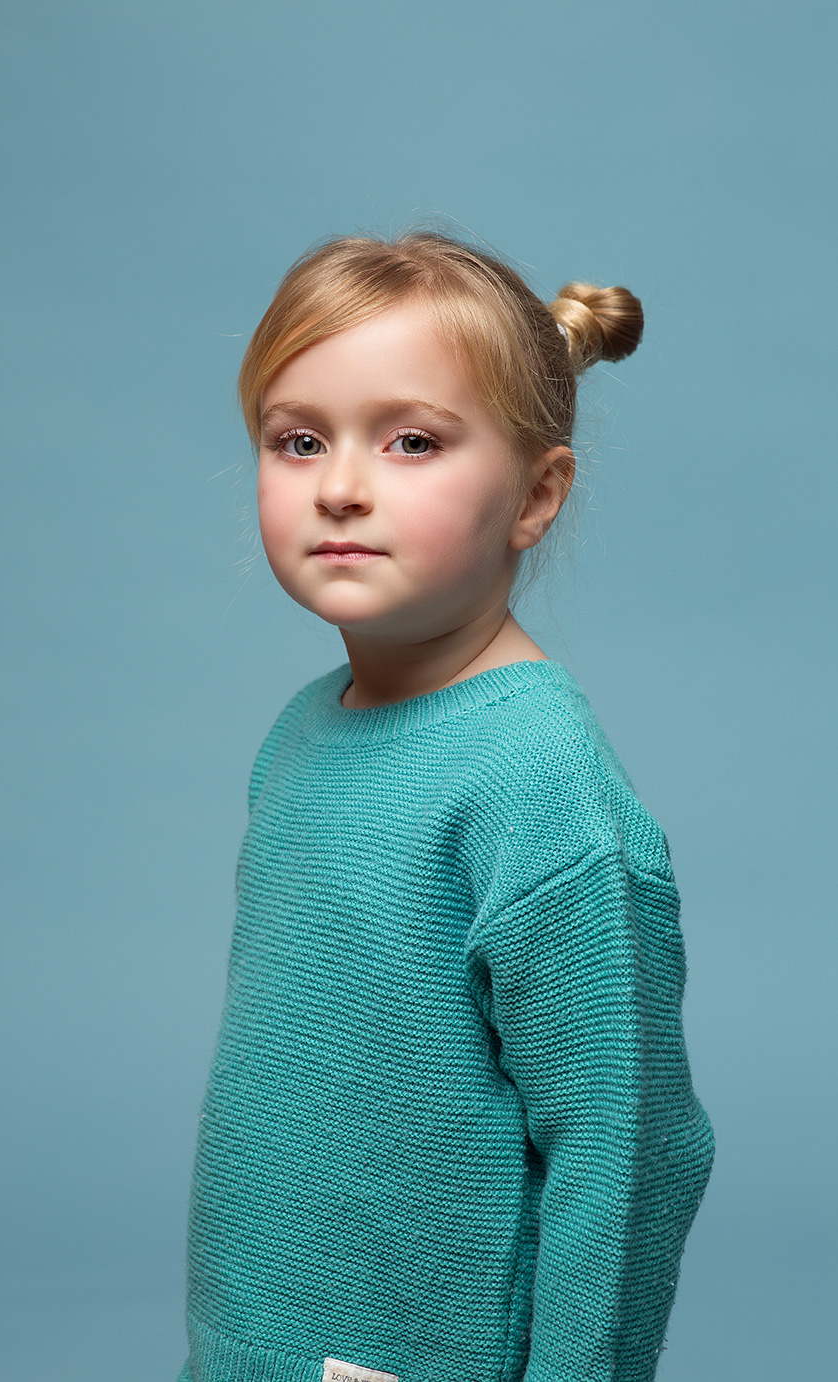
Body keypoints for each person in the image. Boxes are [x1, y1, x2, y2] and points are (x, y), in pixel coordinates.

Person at [178, 232, 714, 1382]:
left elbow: (628, 1150)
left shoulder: (538, 780)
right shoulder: (301, 732)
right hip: (253, 1330)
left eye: (411, 440)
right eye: (298, 438)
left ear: (536, 494)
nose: (340, 483)